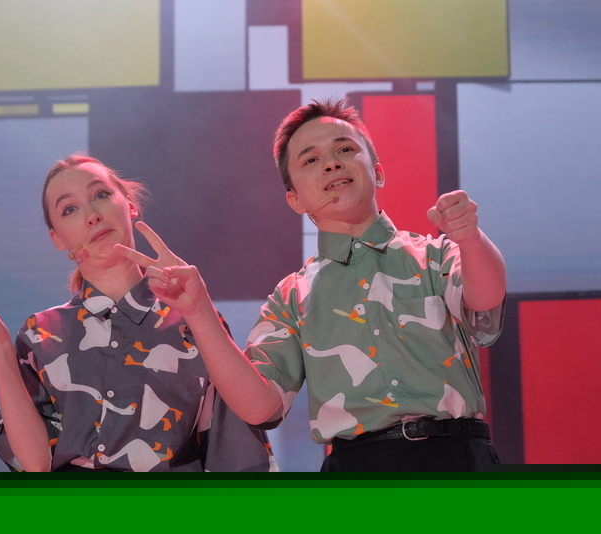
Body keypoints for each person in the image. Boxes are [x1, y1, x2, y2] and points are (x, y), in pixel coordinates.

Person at [118, 99, 506, 471]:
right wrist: (198, 309)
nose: (331, 163)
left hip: (460, 458)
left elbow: (485, 296)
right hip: (359, 470)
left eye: (345, 149)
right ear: (295, 200)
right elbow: (260, 406)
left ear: (378, 171)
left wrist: (469, 237)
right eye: (311, 160)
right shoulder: (292, 297)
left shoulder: (436, 255)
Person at [0, 154, 276, 472]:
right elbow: (35, 464)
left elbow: (235, 451)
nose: (92, 215)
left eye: (101, 195)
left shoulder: (191, 319)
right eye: (70, 209)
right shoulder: (39, 333)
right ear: (57, 239)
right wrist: (0, 354)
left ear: (130, 205)